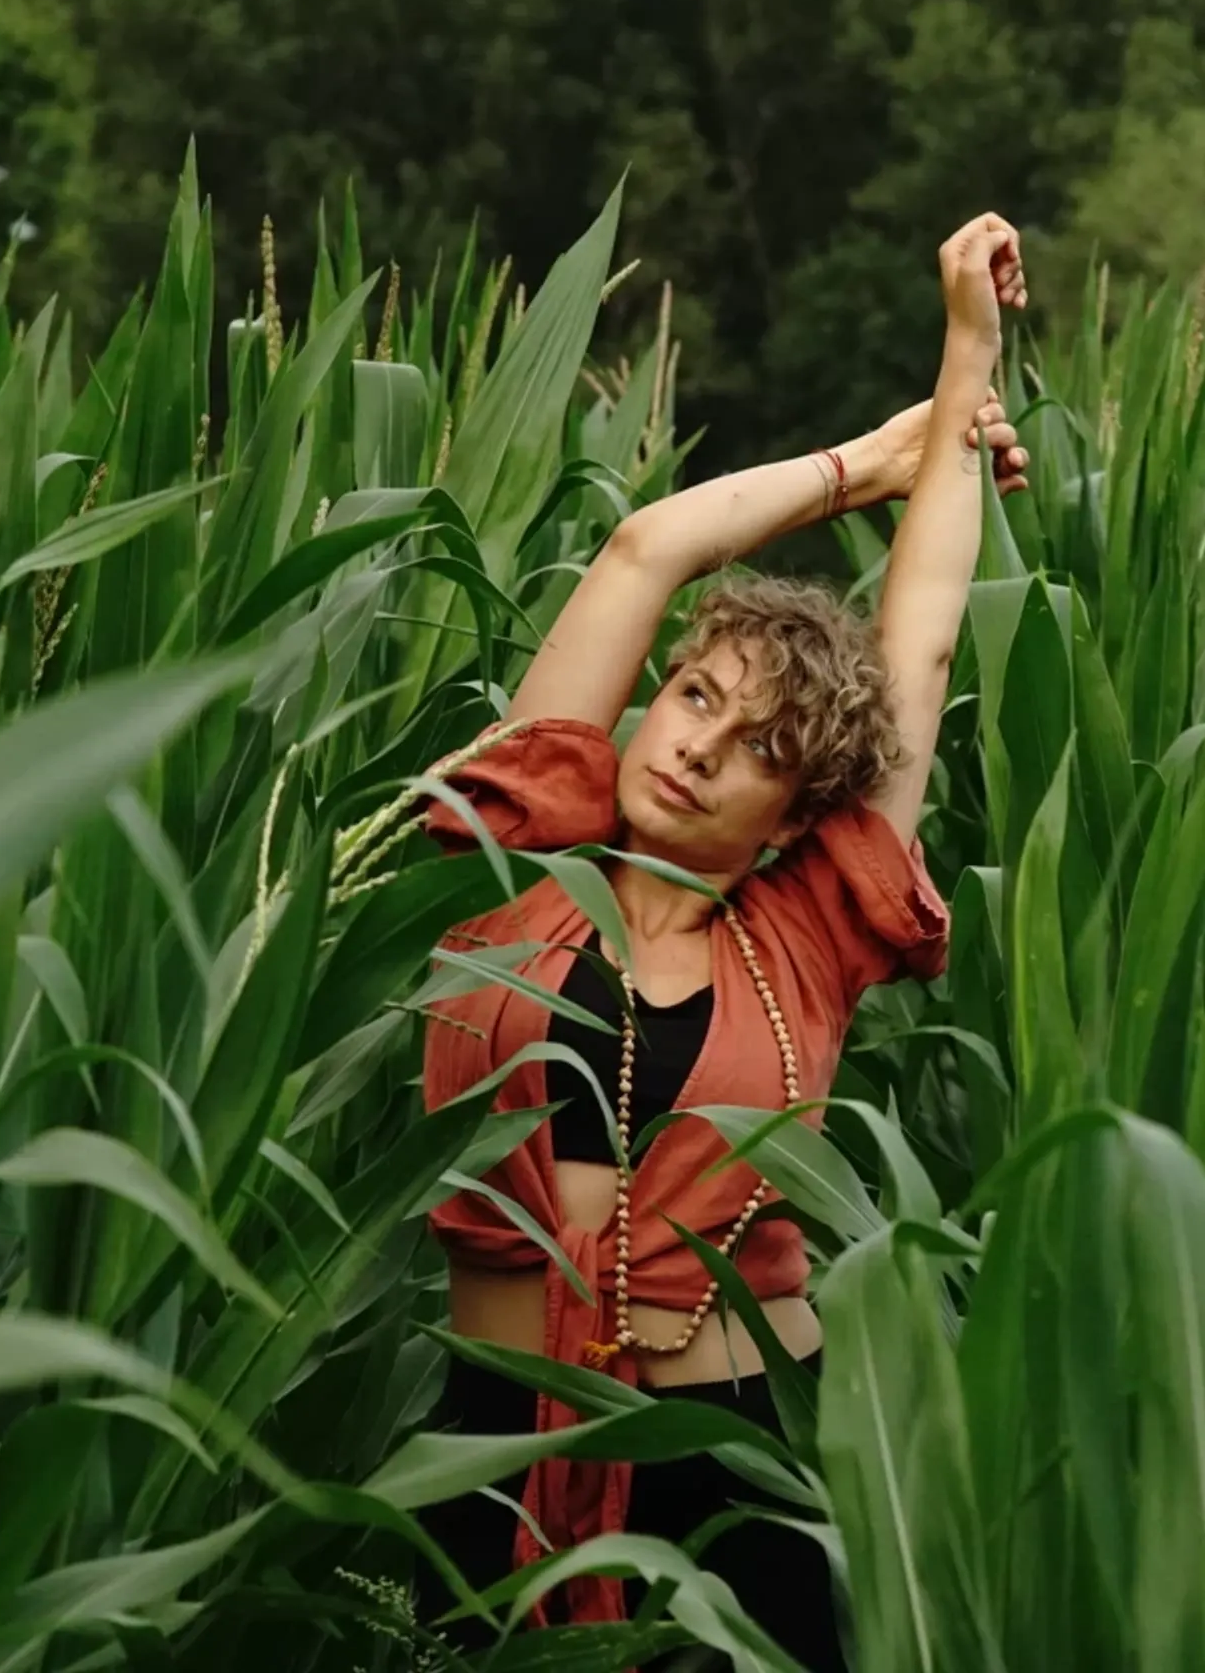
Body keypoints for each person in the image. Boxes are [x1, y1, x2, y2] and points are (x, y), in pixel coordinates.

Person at [410, 213, 1035, 1661]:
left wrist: (967, 353)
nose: (697, 746)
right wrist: (862, 466)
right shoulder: (529, 853)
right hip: (488, 1460)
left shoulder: (808, 929)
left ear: (797, 808)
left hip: (728, 1469)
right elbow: (644, 549)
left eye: (755, 744)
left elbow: (922, 630)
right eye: (696, 696)